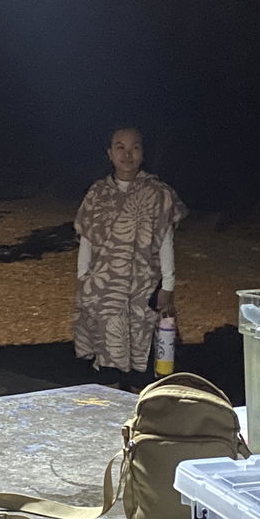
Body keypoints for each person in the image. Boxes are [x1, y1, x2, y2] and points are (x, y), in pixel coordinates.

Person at [72, 126, 186, 392]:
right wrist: (83, 279)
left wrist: (167, 285)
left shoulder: (158, 194)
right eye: (120, 147)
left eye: (134, 147)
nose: (127, 154)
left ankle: (139, 416)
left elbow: (166, 239)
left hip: (144, 287)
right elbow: (86, 238)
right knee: (107, 360)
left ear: (143, 153)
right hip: (104, 288)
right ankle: (108, 421)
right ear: (110, 153)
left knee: (143, 360)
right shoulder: (98, 194)